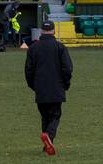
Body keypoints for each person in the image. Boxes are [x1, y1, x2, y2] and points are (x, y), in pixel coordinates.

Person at [25, 20, 73, 155]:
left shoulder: (33, 48)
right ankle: (49, 137)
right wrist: (66, 84)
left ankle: (47, 145)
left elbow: (28, 70)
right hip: (57, 87)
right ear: (53, 31)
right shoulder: (60, 47)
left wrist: (33, 86)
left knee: (45, 116)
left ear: (41, 31)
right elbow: (67, 69)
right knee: (55, 115)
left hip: (40, 88)